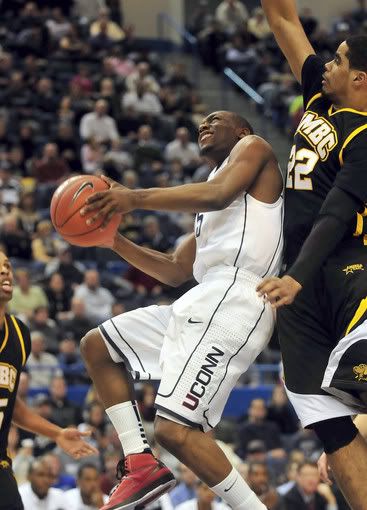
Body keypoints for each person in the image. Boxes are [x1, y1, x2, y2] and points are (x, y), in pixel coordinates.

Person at [80, 110, 284, 510]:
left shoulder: (254, 149)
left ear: (242, 130)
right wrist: (114, 241)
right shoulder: (208, 197)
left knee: (174, 431)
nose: (203, 126)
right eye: (201, 123)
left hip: (238, 295)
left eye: (215, 119)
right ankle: (139, 461)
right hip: (204, 296)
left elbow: (220, 193)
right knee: (97, 347)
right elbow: (175, 270)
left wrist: (135, 198)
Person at [257, 1, 367, 508]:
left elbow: (337, 213)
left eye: (339, 60)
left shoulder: (365, 137)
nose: (328, 63)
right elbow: (283, 21)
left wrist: (298, 276)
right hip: (298, 284)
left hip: (350, 271)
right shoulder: (321, 99)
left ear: (360, 79)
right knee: (328, 424)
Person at [0, 251, 98, 510]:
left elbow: (11, 404)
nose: (5, 271)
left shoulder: (19, 336)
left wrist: (56, 433)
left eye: (8, 266)